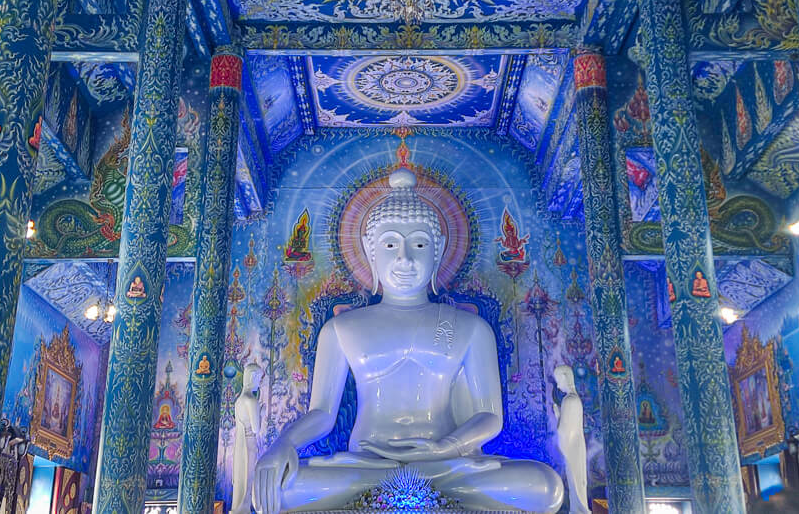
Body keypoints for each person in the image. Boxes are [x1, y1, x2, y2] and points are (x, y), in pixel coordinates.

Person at [252, 168, 564, 513]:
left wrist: (447, 446)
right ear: (371, 252)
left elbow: (490, 416)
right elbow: (322, 413)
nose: (404, 258)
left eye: (418, 243)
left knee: (545, 485)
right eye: (389, 244)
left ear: (439, 251)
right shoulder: (342, 329)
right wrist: (283, 444)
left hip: (445, 464)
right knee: (274, 488)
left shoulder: (469, 327)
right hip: (366, 464)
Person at [553, 365, 589, 514]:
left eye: (558, 381)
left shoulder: (570, 401)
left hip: (572, 448)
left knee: (576, 485)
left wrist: (558, 417)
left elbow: (563, 431)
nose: (558, 385)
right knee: (577, 485)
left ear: (564, 378)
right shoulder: (574, 399)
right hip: (576, 446)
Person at [232, 364, 262, 514]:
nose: (259, 382)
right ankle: (243, 507)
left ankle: (238, 507)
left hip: (239, 444)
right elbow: (256, 428)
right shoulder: (251, 401)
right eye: (258, 378)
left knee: (240, 477)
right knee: (248, 478)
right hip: (249, 443)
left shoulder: (239, 401)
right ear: (252, 378)